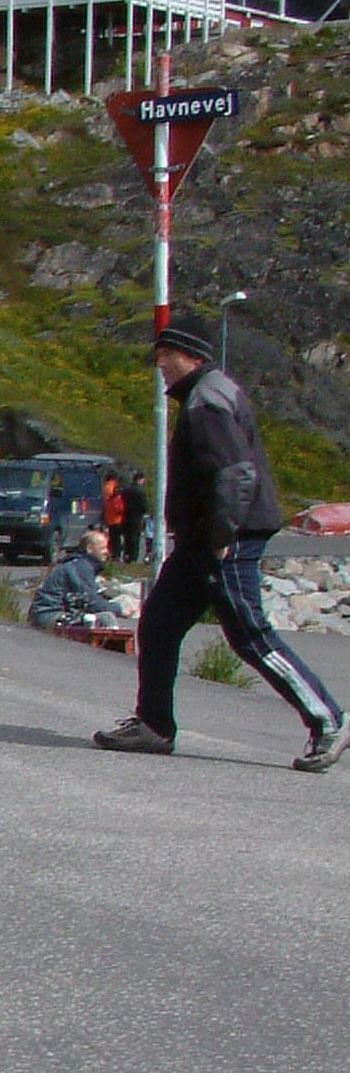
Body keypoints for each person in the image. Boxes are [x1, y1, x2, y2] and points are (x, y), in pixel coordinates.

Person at [94, 317, 350, 772]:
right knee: (158, 625)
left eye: (165, 354)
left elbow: (235, 475)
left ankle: (329, 719)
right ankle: (154, 725)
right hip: (203, 539)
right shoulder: (207, 393)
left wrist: (220, 535)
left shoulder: (207, 402)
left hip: (224, 539)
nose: (159, 364)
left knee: (250, 635)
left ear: (190, 355)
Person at [27, 528, 123, 629]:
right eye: (102, 548)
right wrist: (120, 609)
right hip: (49, 615)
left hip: (50, 614)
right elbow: (91, 602)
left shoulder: (79, 564)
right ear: (90, 549)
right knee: (106, 617)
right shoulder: (81, 567)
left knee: (93, 618)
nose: (107, 552)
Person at [119, 471, 149, 563]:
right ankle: (133, 557)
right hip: (136, 517)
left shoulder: (125, 491)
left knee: (127, 538)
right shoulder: (140, 492)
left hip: (125, 516)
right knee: (135, 538)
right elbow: (144, 506)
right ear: (139, 480)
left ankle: (126, 555)